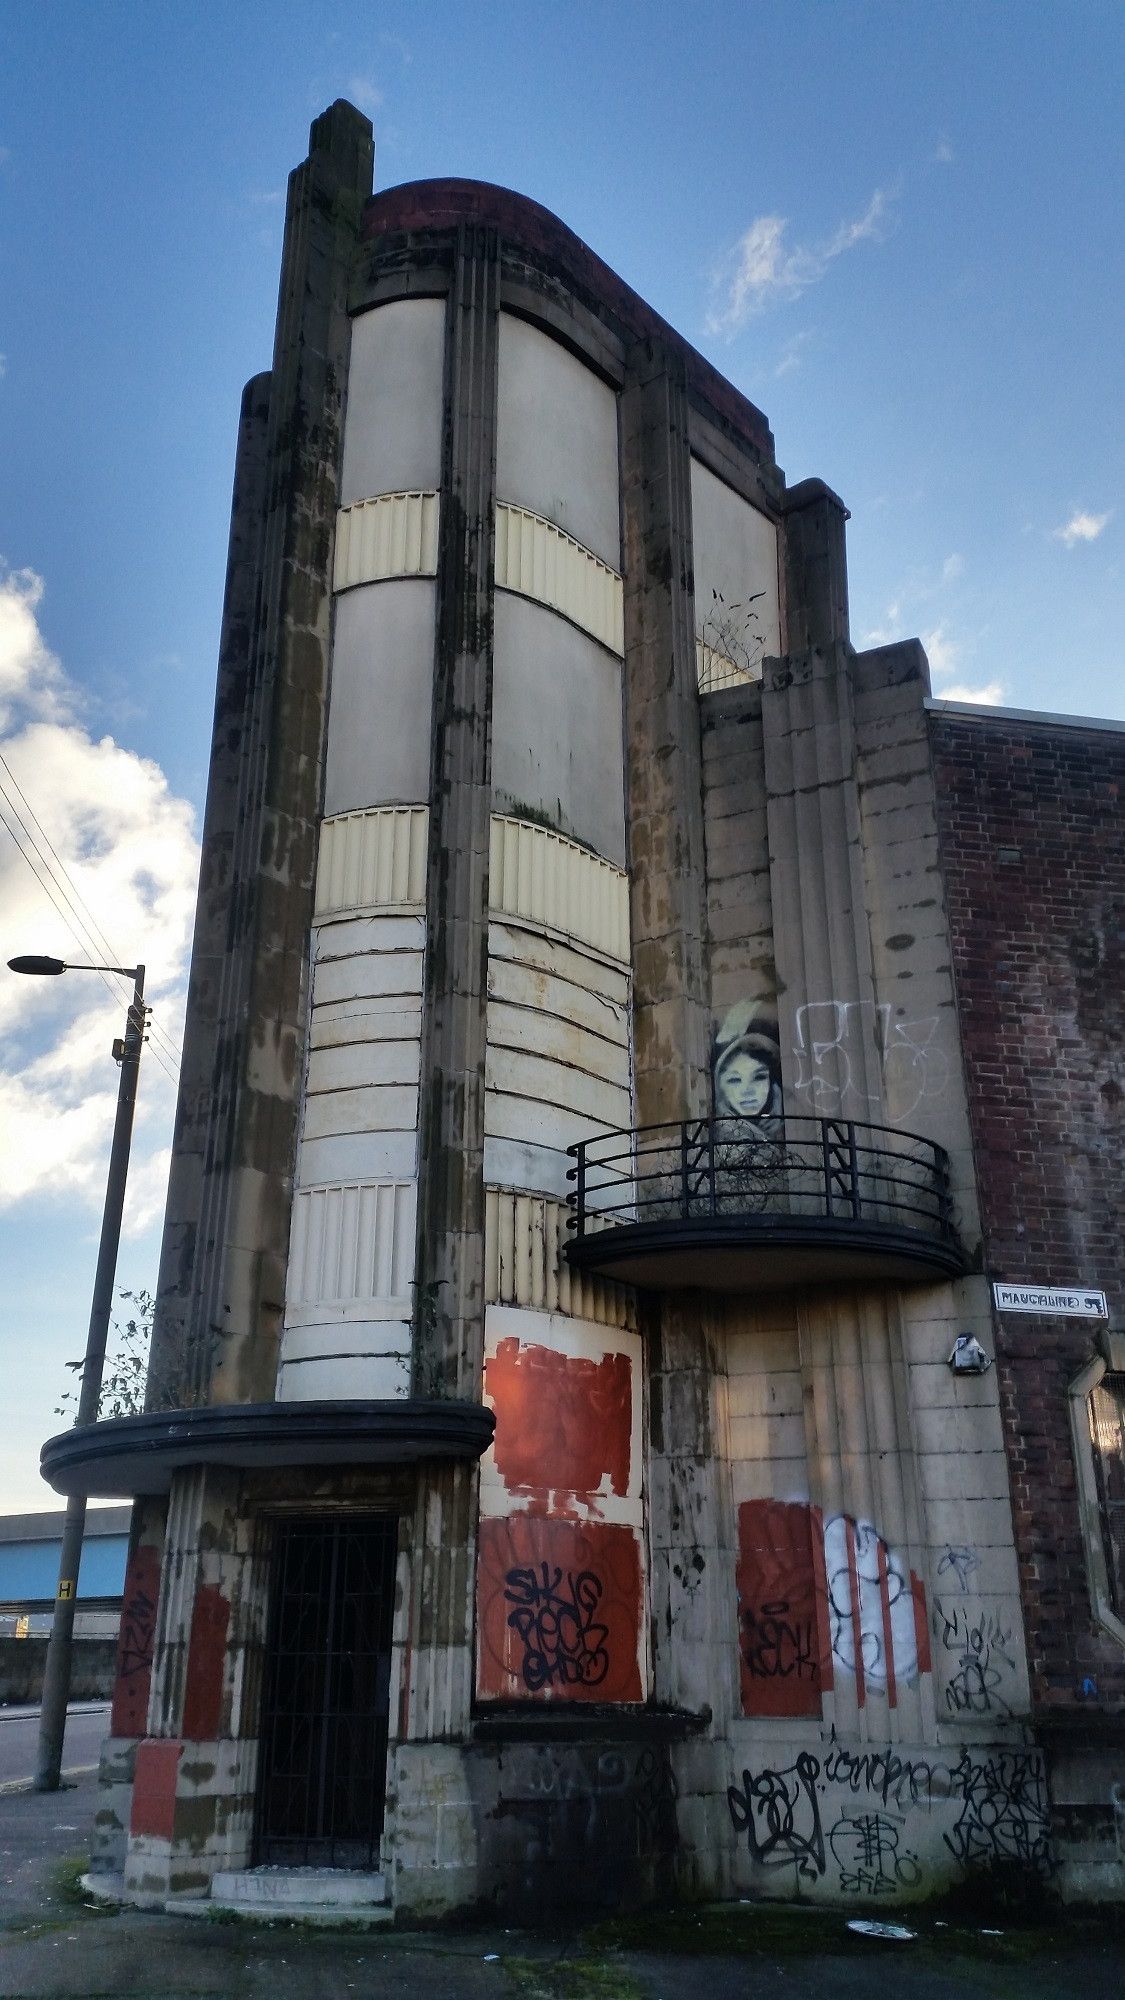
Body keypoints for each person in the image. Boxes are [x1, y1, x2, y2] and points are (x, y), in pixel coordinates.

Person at [713, 1000, 782, 1132]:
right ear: (719, 1086)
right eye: (734, 1079)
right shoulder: (721, 1140)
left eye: (759, 1077)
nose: (747, 1090)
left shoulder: (782, 1127)